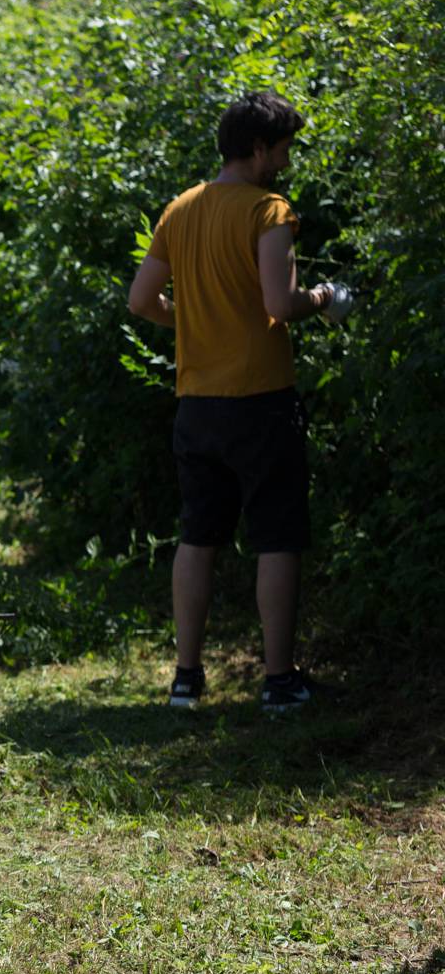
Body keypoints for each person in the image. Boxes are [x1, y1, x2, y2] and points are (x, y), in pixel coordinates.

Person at [127, 91, 351, 709]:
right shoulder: (268, 210)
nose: (285, 161)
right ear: (256, 149)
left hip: (197, 405)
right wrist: (325, 298)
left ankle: (186, 680)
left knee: (198, 536)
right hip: (260, 401)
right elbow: (281, 304)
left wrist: (194, 320)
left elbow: (142, 302)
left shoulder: (181, 209)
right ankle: (279, 681)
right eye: (281, 150)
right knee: (276, 537)